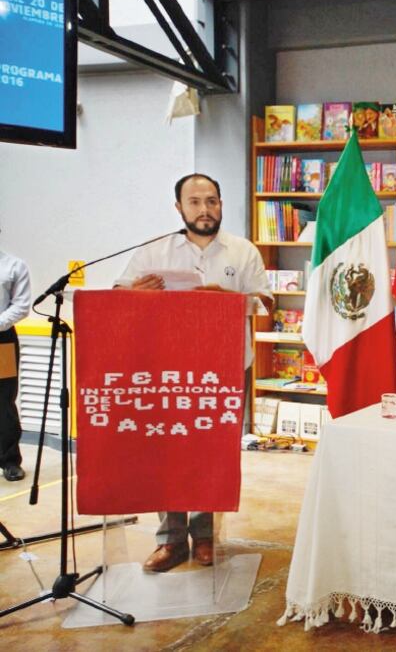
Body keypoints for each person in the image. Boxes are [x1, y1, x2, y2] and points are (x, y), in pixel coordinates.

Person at [117, 173, 273, 573]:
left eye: (212, 201)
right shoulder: (154, 251)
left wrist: (231, 301)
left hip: (223, 371)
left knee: (212, 455)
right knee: (167, 453)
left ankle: (204, 536)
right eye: (196, 202)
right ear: (179, 208)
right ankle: (170, 541)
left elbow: (267, 303)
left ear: (221, 204)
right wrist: (136, 294)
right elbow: (119, 296)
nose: (205, 210)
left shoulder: (242, 251)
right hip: (167, 373)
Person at [0, 238, 31, 482]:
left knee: (3, 400)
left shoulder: (14, 266)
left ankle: (10, 461)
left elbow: (21, 306)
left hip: (2, 338)